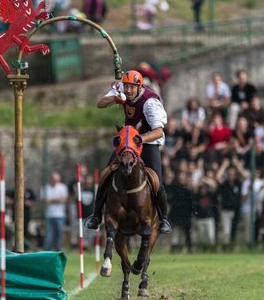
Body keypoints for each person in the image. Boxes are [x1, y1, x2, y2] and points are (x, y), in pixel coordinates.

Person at [84, 70, 172, 234]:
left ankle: (164, 218)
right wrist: (115, 98)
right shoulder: (121, 90)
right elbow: (100, 104)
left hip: (147, 143)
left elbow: (159, 131)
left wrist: (141, 139)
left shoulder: (150, 102)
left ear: (139, 87)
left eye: (132, 87)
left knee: (157, 182)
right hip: (128, 144)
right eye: (127, 87)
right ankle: (96, 216)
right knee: (106, 173)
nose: (129, 91)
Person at [40, 172, 68, 251]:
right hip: (49, 215)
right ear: (51, 179)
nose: (55, 181)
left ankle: (58, 249)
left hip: (60, 215)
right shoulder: (45, 187)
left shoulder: (62, 187)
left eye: (57, 180)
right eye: (54, 179)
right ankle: (47, 250)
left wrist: (51, 200)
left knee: (59, 233)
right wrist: (57, 199)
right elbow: (44, 200)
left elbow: (64, 199)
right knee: (49, 234)